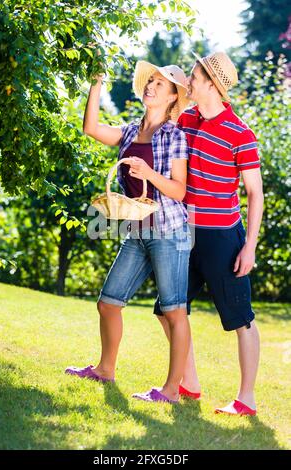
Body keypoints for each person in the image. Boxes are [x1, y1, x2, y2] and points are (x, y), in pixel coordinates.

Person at [65, 59, 194, 403]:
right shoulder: (129, 131)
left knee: (174, 310)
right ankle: (106, 369)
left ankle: (171, 391)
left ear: (171, 98)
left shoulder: (175, 135)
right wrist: (96, 82)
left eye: (160, 85)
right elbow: (90, 127)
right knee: (108, 303)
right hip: (138, 231)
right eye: (150, 81)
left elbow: (180, 191)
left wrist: (149, 174)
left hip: (170, 232)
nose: (151, 87)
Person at [153, 51, 264, 416]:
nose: (189, 83)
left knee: (240, 318)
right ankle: (190, 382)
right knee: (168, 309)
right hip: (185, 234)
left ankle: (245, 399)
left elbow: (254, 193)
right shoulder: (187, 119)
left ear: (213, 86)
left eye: (196, 78)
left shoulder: (240, 133)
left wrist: (249, 247)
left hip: (222, 238)